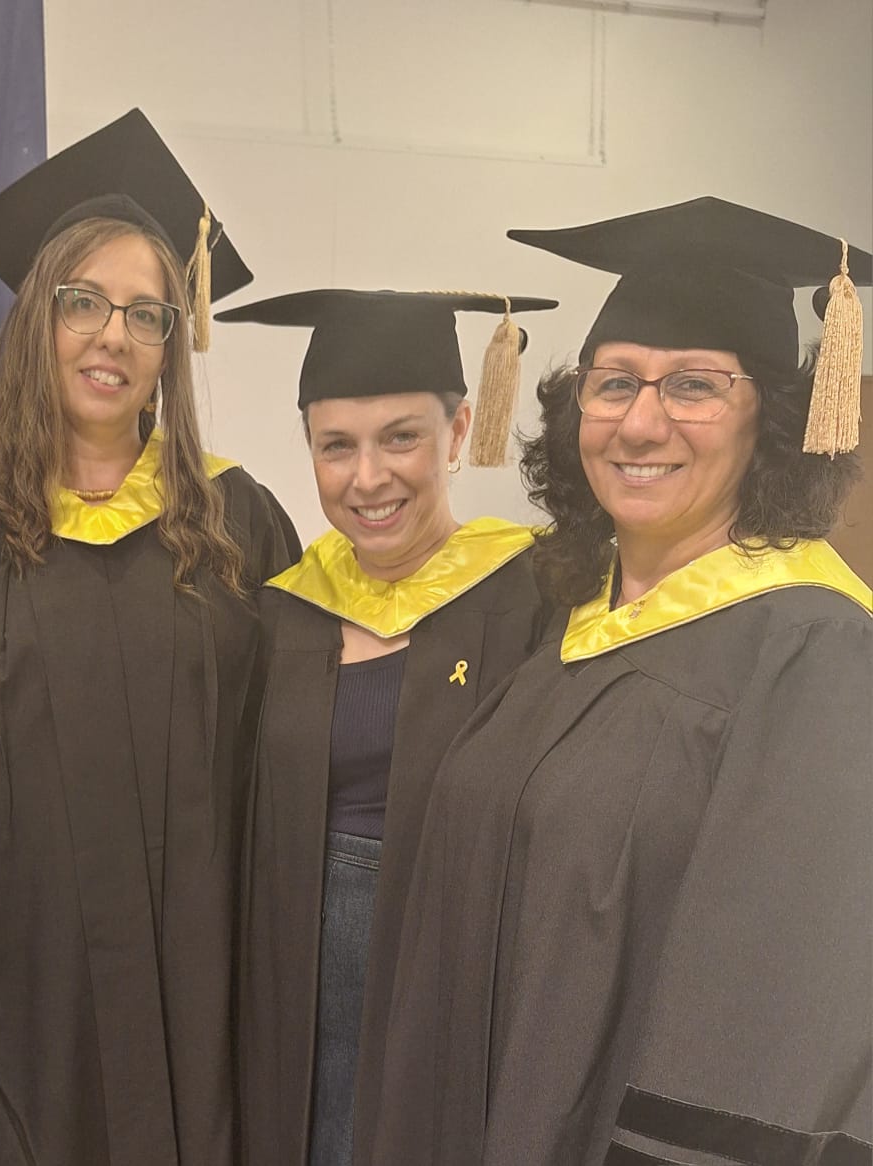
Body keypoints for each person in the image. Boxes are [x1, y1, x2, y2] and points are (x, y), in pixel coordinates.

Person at [368, 197, 873, 1166]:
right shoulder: (567, 619)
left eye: (693, 386)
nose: (640, 423)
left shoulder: (813, 652)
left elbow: (777, 1023)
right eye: (612, 384)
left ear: (772, 418)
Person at [0, 109, 300, 1166]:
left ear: (173, 342)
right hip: (21, 997)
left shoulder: (238, 519)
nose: (112, 336)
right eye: (83, 302)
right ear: (37, 316)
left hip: (207, 979)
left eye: (146, 314)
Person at [214, 289, 556, 1166]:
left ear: (459, 429)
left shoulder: (534, 600)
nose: (367, 478)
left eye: (400, 437)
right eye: (337, 446)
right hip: (294, 989)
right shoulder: (281, 610)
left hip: (454, 985)